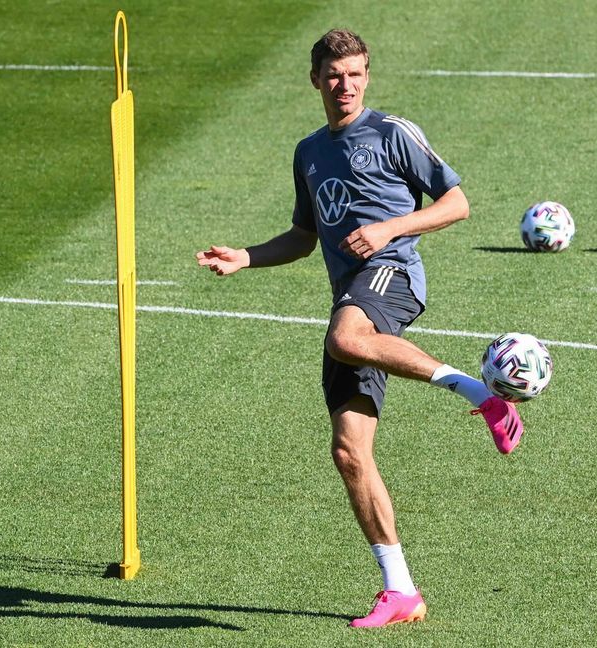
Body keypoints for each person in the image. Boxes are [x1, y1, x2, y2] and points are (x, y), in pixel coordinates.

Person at [196, 28, 523, 628]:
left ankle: (482, 394)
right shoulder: (308, 152)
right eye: (333, 76)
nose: (344, 86)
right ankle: (401, 592)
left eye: (354, 74)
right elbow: (302, 236)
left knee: (345, 339)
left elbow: (456, 204)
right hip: (350, 294)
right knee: (349, 453)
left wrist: (388, 230)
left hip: (390, 275)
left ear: (366, 76)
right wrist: (246, 255)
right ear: (316, 79)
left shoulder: (393, 133)